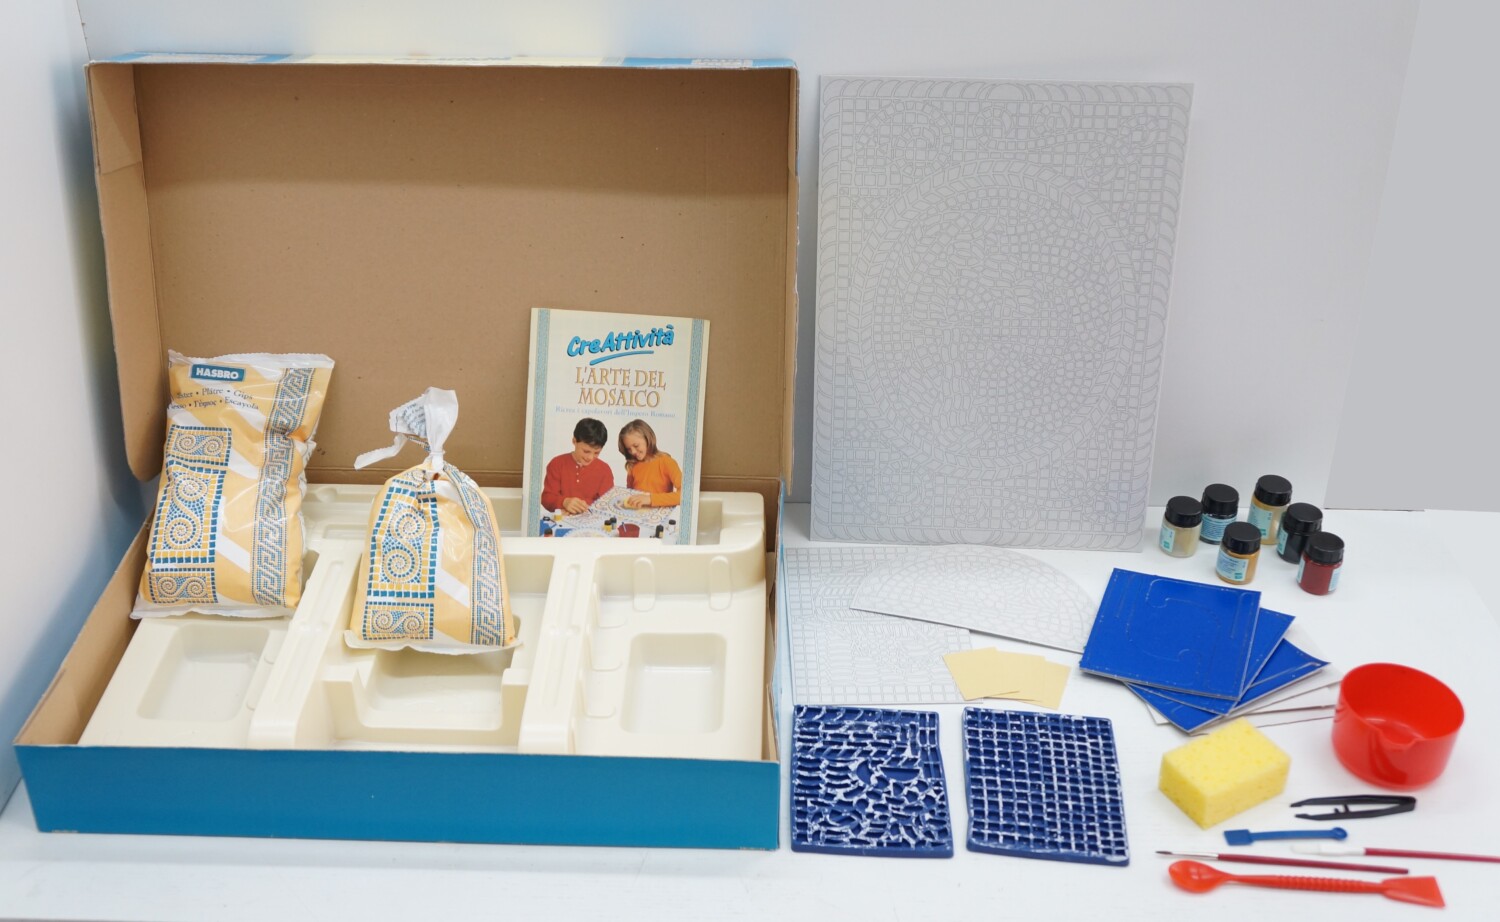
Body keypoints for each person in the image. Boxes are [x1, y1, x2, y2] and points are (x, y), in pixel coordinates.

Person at [540, 418, 613, 516]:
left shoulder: (604, 470)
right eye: (586, 451)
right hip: (562, 521)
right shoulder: (557, 463)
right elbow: (546, 498)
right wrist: (564, 502)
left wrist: (585, 506)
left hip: (591, 522)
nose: (590, 457)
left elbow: (608, 504)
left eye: (596, 453)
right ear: (574, 441)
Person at [618, 418, 682, 509]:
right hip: (636, 514)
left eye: (636, 446)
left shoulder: (666, 462)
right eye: (629, 449)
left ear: (648, 439)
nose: (633, 452)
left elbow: (684, 496)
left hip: (659, 515)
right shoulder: (632, 466)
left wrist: (650, 499)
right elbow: (630, 494)